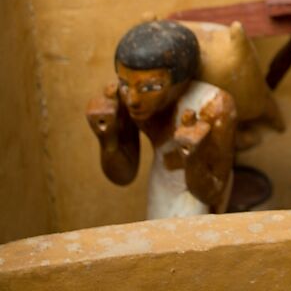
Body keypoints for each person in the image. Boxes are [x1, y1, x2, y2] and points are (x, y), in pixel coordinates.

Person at [86, 20, 237, 218]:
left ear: (181, 82)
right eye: (124, 84)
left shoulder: (214, 106)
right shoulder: (128, 99)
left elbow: (211, 192)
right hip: (163, 179)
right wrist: (108, 138)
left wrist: (193, 158)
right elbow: (124, 175)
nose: (133, 100)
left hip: (201, 186)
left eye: (150, 87)